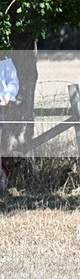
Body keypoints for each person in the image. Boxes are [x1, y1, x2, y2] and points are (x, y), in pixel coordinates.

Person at [0, 55, 19, 188]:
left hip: (2, 107)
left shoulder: (5, 60)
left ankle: (3, 179)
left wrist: (7, 97)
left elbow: (13, 81)